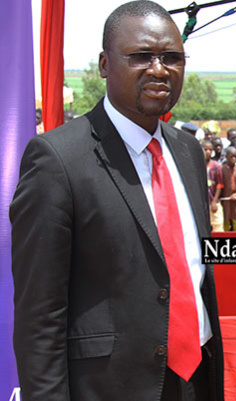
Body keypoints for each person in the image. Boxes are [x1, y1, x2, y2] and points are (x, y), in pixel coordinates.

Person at [10, 2, 225, 400]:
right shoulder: (57, 160)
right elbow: (39, 317)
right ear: (105, 65)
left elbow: (192, 261)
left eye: (172, 58)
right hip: (110, 387)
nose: (159, 69)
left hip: (198, 379)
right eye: (142, 56)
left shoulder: (188, 151)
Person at [203, 140, 225, 232]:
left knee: (218, 226)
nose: (208, 152)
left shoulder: (216, 166)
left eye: (210, 150)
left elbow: (219, 184)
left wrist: (214, 201)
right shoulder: (197, 164)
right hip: (202, 203)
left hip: (213, 201)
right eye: (205, 149)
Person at [221, 146, 236, 231]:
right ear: (226, 157)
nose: (233, 158)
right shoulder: (222, 168)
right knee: (225, 221)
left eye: (235, 156)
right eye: (231, 156)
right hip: (225, 199)